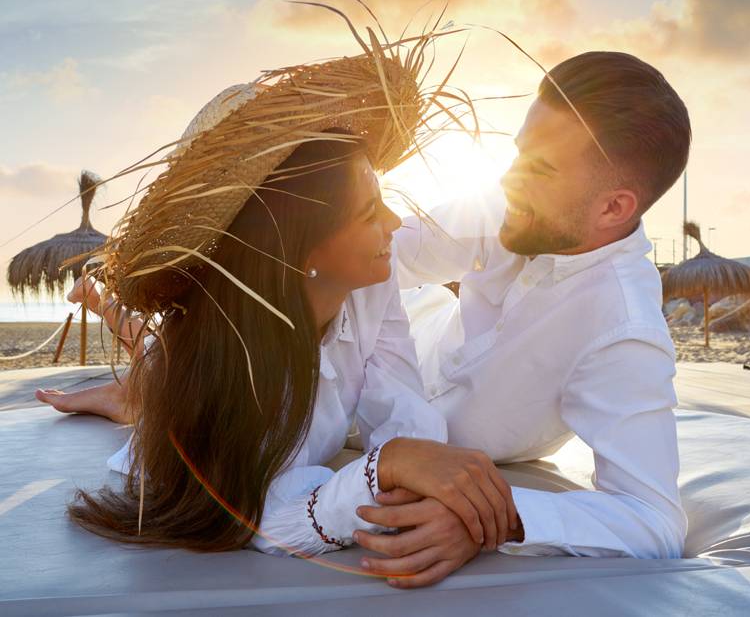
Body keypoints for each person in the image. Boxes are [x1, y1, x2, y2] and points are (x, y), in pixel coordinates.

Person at [64, 56, 517, 589]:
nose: (394, 224)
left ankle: (127, 389)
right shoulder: (231, 363)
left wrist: (425, 489)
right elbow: (260, 515)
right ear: (302, 248)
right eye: (370, 213)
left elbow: (401, 403)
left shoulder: (373, 281)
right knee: (156, 361)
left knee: (153, 359)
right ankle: (125, 381)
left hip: (196, 361)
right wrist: (386, 467)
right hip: (187, 394)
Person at [354, 51, 691, 571]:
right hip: (377, 352)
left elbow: (653, 520)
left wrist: (494, 517)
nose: (508, 179)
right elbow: (377, 252)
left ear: (613, 208)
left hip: (417, 440)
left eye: (539, 169)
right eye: (517, 153)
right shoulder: (505, 206)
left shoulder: (623, 330)